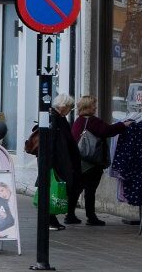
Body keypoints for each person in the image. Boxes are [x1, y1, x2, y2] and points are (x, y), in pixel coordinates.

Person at [69, 94, 130, 226]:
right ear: (87, 107)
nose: (95, 107)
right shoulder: (92, 121)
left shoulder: (78, 121)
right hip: (92, 162)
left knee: (77, 188)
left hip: (79, 161)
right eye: (93, 105)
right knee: (90, 190)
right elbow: (108, 131)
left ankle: (70, 215)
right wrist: (123, 125)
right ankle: (91, 217)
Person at [37, 93, 82, 232]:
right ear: (64, 106)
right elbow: (53, 143)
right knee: (56, 190)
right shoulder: (54, 119)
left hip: (62, 161)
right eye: (70, 107)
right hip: (58, 162)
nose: (71, 110)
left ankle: (51, 218)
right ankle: (50, 218)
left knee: (62, 189)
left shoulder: (59, 119)